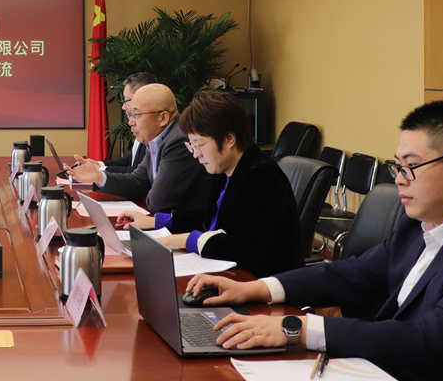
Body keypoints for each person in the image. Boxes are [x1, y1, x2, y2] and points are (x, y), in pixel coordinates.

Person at [185, 101, 443, 381]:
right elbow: (356, 273)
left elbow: (431, 339)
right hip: (385, 377)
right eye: (397, 167)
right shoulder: (419, 222)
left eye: (411, 167)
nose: (399, 179)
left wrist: (298, 329)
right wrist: (255, 288)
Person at [119, 89, 301, 278]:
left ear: (229, 139)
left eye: (199, 144)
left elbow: (245, 250)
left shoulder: (260, 177)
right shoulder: (227, 167)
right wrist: (156, 221)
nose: (196, 154)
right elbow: (211, 215)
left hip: (260, 283)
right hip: (230, 275)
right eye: (191, 145)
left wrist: (186, 240)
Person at [68, 83, 210, 213]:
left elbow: (158, 202)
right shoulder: (158, 137)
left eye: (136, 115)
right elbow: (138, 182)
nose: (130, 122)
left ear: (163, 118)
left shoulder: (178, 140)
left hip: (187, 228)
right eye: (130, 115)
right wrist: (99, 177)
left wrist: (146, 191)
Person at [102, 72, 158, 174]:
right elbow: (130, 159)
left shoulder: (153, 131)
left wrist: (99, 171)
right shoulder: (139, 126)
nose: (123, 107)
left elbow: (140, 173)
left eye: (126, 100)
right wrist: (99, 165)